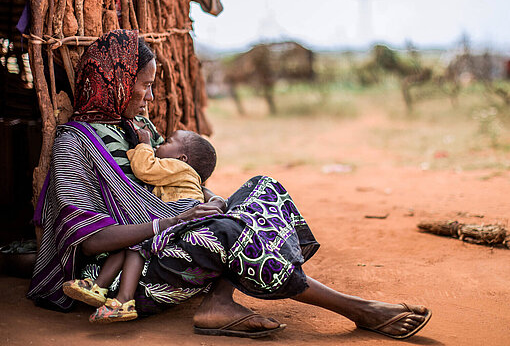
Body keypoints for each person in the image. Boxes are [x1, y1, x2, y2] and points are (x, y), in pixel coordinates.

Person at [27, 30, 431, 339]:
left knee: (263, 188)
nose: (150, 96)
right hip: (126, 278)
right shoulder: (74, 144)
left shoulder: (135, 126)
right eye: (144, 84)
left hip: (176, 239)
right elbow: (89, 241)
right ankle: (356, 309)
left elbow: (170, 181)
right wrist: (167, 223)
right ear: (115, 80)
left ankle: (218, 302)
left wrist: (207, 199)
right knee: (229, 231)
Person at [61, 128, 218, 323]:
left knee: (137, 245)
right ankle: (98, 287)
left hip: (181, 211)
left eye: (167, 142)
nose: (159, 145)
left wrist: (143, 143)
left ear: (182, 157)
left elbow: (144, 169)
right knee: (129, 241)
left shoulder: (179, 168)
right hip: (175, 212)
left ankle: (124, 301)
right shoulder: (179, 173)